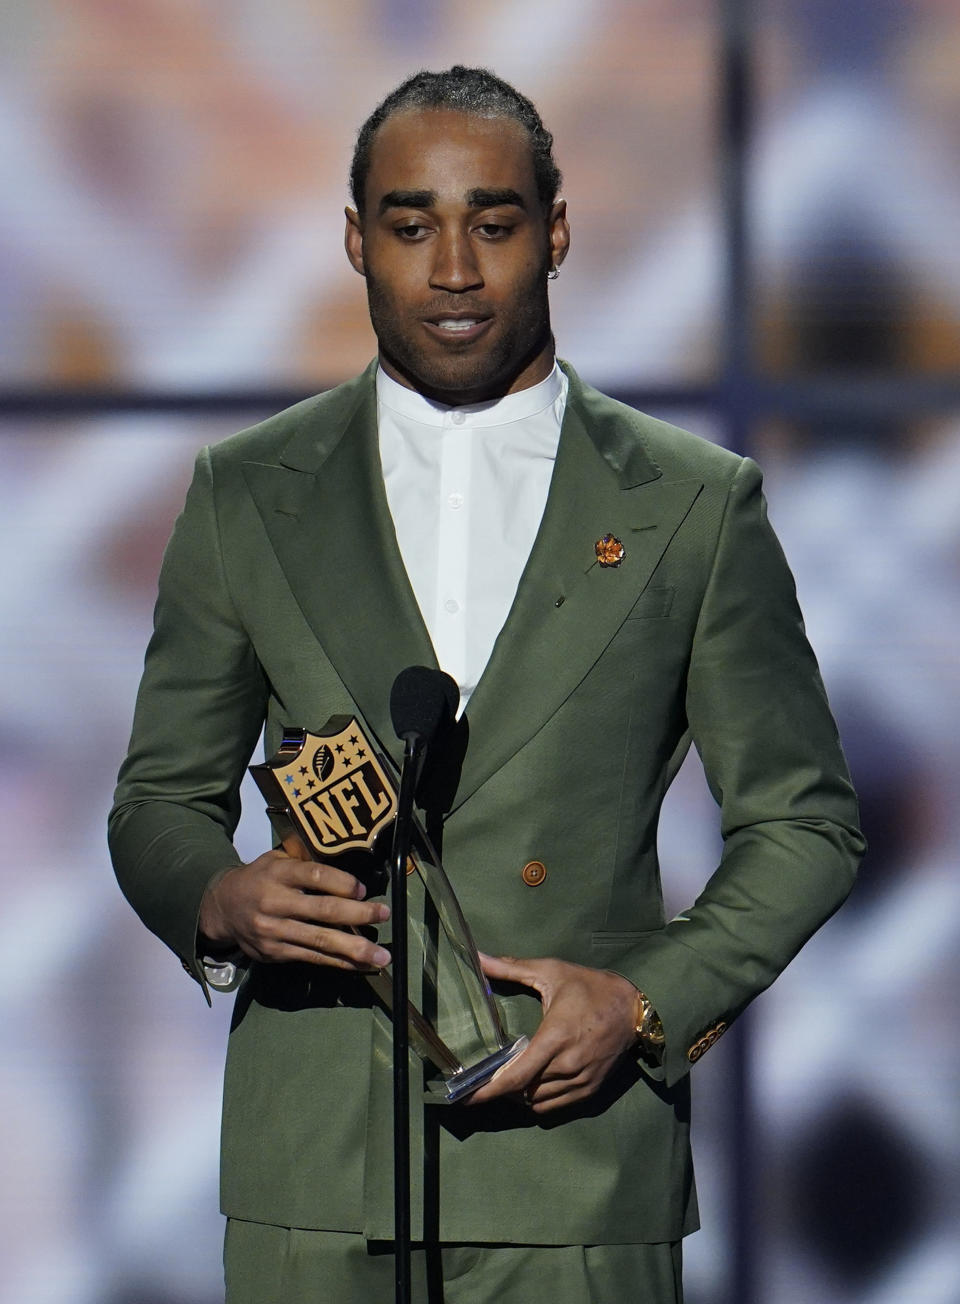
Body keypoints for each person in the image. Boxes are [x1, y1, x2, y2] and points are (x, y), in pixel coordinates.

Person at [109, 66, 864, 1304]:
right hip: (315, 1172)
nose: (453, 268)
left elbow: (806, 822)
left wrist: (645, 1001)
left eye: (494, 224)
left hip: (573, 1167)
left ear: (556, 232)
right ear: (356, 240)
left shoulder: (690, 504)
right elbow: (155, 802)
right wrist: (219, 897)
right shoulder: (247, 491)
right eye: (411, 226)